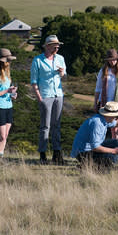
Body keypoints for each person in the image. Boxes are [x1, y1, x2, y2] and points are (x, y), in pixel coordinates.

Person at [70, 101, 118, 170]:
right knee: (111, 158)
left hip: (90, 150)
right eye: (115, 116)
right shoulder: (97, 123)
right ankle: (88, 165)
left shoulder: (104, 119)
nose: (116, 118)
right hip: (83, 154)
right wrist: (115, 151)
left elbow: (117, 123)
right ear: (108, 115)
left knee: (115, 143)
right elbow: (95, 147)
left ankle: (89, 165)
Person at [31, 34, 67, 165]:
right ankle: (43, 153)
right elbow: (34, 81)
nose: (56, 49)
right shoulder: (38, 60)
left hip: (58, 95)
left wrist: (62, 73)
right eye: (54, 47)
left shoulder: (60, 59)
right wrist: (39, 97)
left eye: (58, 47)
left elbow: (64, 75)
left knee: (56, 125)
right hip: (45, 95)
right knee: (45, 126)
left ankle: (57, 153)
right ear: (47, 47)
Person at [94, 49, 118, 141]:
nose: (112, 61)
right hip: (104, 104)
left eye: (114, 59)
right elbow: (98, 88)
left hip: (117, 104)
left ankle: (116, 147)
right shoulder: (103, 71)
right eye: (110, 59)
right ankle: (103, 148)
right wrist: (95, 103)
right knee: (102, 127)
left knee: (114, 127)